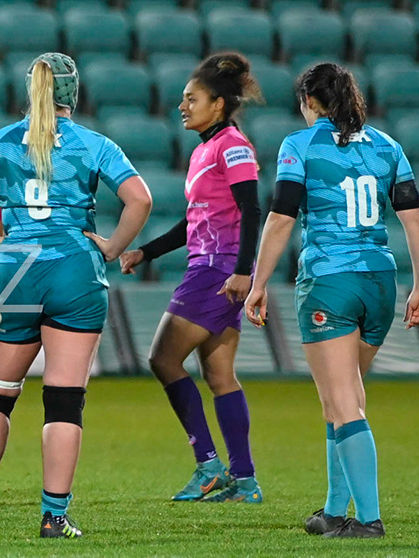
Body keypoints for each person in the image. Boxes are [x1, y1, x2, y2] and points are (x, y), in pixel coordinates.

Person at [0, 53, 152, 539]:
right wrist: (114, 247)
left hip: (17, 272)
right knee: (63, 402)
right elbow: (140, 198)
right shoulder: (95, 144)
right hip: (76, 270)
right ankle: (54, 517)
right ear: (72, 94)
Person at [245, 63, 419, 539]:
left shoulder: (300, 146)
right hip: (380, 283)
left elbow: (283, 218)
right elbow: (415, 221)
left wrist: (258, 283)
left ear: (309, 101)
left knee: (344, 404)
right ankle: (332, 510)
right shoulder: (388, 146)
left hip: (330, 281)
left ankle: (368, 521)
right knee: (341, 398)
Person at [116, 53, 267, 504]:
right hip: (213, 265)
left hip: (218, 269)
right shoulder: (204, 148)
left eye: (191, 99)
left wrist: (244, 272)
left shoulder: (232, 145)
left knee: (162, 359)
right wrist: (145, 252)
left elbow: (252, 209)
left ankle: (207, 466)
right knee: (219, 375)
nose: (182, 106)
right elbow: (192, 222)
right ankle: (245, 481)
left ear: (218, 104)